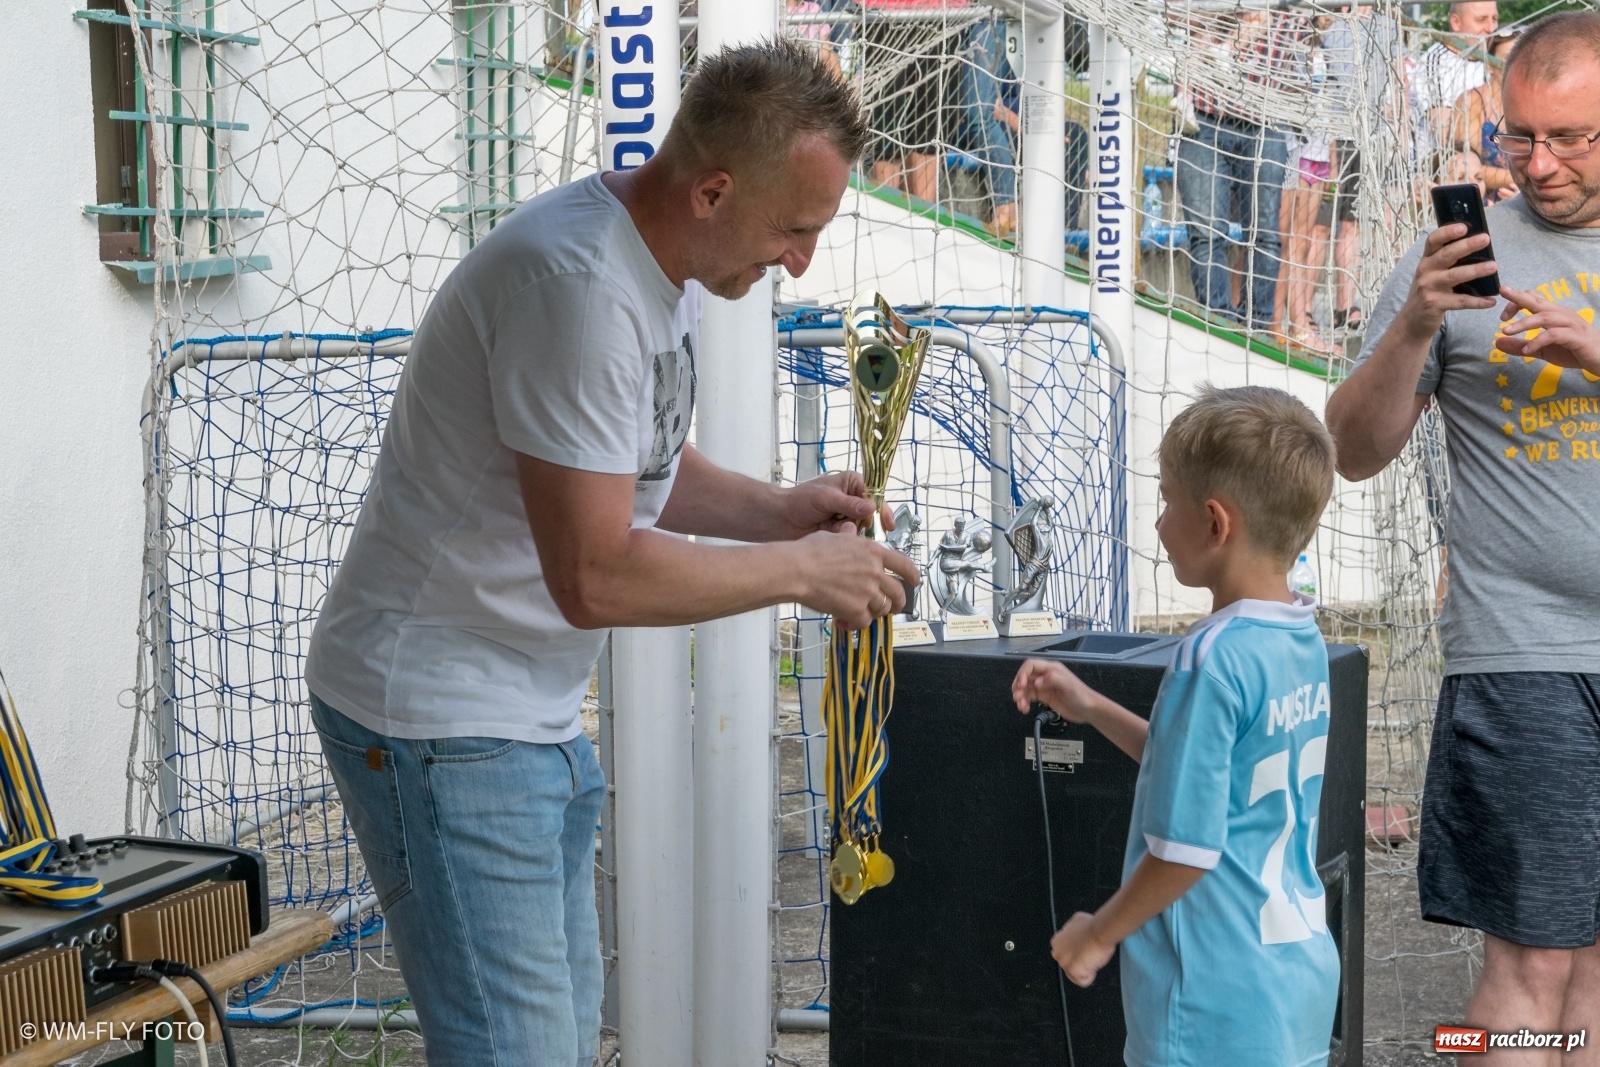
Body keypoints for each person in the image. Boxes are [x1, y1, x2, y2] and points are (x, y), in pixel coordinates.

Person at [304, 41, 919, 1067]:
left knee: (554, 1041)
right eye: (794, 230)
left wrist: (782, 513)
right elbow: (594, 573)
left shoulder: (654, 261)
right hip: (439, 720)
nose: (800, 260)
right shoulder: (578, 289)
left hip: (521, 715)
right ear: (714, 190)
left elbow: (631, 467)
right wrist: (805, 575)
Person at [1326, 12, 1600, 1056]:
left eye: (1571, 138)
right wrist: (1411, 328)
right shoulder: (1456, 257)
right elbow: (1350, 451)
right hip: (1523, 656)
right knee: (1525, 965)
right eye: (1519, 135)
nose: (1539, 164)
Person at [1013, 385, 1340, 1067]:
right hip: (1296, 978)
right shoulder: (1301, 637)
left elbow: (1187, 849)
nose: (1159, 522)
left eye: (1167, 501)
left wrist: (1099, 933)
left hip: (1210, 1003)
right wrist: (1095, 707)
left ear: (1215, 523)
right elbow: (1215, 778)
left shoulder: (1210, 655)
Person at [1174, 9, 1311, 329]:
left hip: (1264, 122)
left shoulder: (1289, 13)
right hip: (1205, 120)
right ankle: (1218, 321)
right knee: (1206, 232)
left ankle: (1258, 325)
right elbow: (1175, 13)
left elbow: (1318, 25)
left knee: (1264, 234)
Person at [1409, 1, 1498, 174]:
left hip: (1486, 169)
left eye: (1494, 19)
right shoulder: (1436, 62)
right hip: (1444, 174)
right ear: (1456, 23)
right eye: (1481, 20)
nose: (1491, 28)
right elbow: (1450, 143)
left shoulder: (1492, 61)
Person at [1446, 31, 1519, 203]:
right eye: (1508, 58)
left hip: (1525, 202)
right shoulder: (1471, 102)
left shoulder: (1534, 101)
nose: (1515, 64)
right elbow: (1466, 170)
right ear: (1489, 64)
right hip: (1483, 203)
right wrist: (1526, 180)